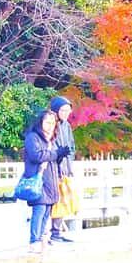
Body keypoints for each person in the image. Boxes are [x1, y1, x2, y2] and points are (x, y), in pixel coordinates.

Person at [23, 110, 70, 253]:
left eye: (53, 123)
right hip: (39, 178)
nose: (50, 126)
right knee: (39, 209)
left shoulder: (51, 139)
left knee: (47, 210)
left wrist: (60, 156)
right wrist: (56, 154)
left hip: (51, 179)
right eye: (47, 122)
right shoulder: (33, 137)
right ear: (40, 122)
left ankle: (43, 239)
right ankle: (34, 241)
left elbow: (52, 158)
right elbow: (36, 155)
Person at [49, 96, 76, 243]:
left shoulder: (66, 126)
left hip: (65, 168)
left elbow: (71, 147)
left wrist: (69, 164)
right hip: (52, 166)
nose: (66, 113)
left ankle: (56, 232)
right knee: (52, 200)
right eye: (63, 110)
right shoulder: (50, 123)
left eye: (68, 110)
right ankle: (46, 234)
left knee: (63, 199)